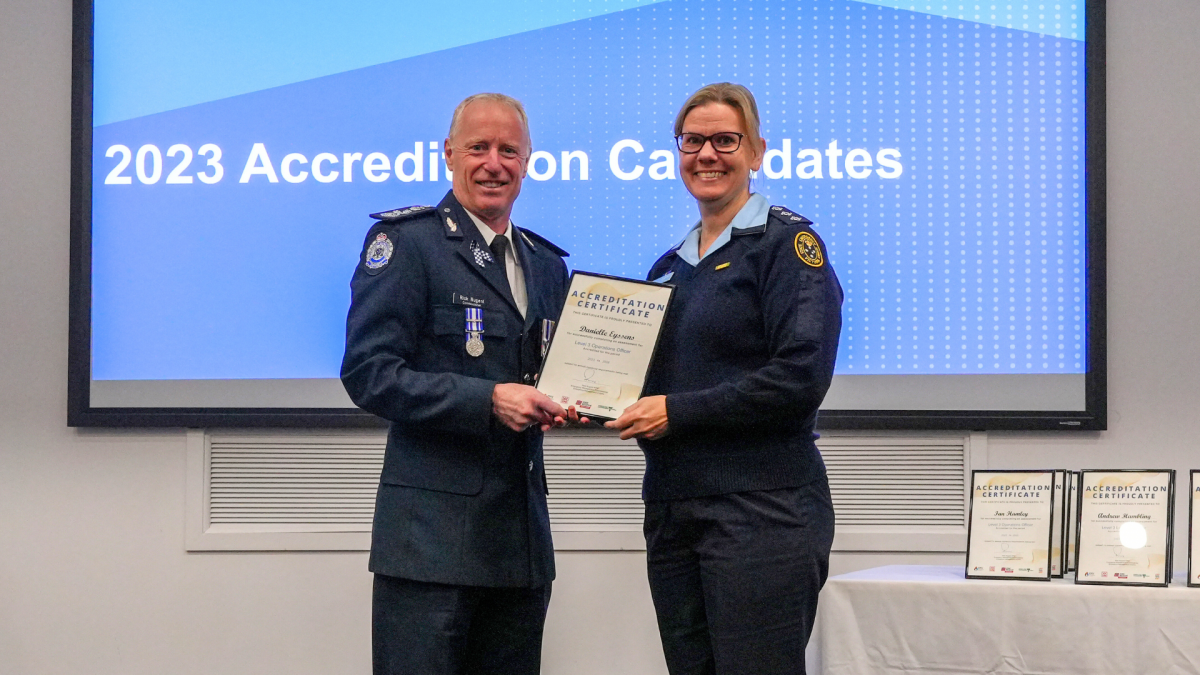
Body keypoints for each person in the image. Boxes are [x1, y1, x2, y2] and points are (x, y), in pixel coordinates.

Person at [606, 83, 844, 675]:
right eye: (693, 141)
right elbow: (641, 384)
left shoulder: (788, 246)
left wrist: (677, 413)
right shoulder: (668, 268)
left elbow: (798, 379)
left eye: (725, 140)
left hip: (762, 512)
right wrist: (580, 399)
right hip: (674, 510)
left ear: (757, 151)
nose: (706, 154)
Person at [341, 93, 572, 675]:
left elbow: (561, 374)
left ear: (528, 162)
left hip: (518, 547)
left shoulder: (547, 265)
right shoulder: (407, 244)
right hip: (430, 550)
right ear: (448, 154)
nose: (494, 163)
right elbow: (369, 373)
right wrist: (488, 399)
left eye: (509, 151)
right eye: (479, 148)